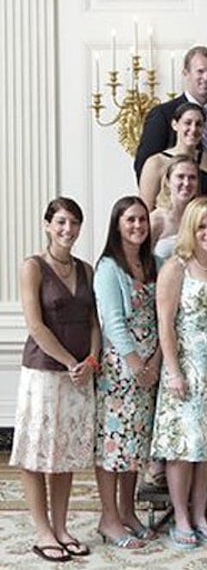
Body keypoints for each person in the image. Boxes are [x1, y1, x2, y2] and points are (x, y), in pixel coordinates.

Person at [11, 197, 99, 562]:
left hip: (79, 375)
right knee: (36, 454)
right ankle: (43, 530)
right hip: (44, 373)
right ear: (47, 225)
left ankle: (61, 528)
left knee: (64, 454)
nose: (68, 230)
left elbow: (95, 321)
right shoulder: (33, 266)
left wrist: (90, 361)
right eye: (61, 222)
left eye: (74, 223)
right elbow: (35, 325)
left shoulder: (87, 269)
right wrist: (69, 362)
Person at [150, 197, 207, 550]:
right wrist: (173, 371)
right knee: (185, 447)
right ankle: (181, 517)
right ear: (190, 229)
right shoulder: (176, 267)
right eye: (201, 226)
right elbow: (165, 324)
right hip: (187, 366)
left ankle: (201, 513)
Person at [93, 196, 162, 549]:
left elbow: (167, 317)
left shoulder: (156, 263)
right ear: (117, 224)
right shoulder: (109, 267)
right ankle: (108, 518)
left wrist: (156, 361)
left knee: (135, 445)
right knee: (113, 445)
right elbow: (114, 323)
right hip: (121, 370)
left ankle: (127, 510)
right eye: (130, 220)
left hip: (151, 366)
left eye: (142, 220)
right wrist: (137, 365)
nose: (137, 226)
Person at [134, 46, 207, 180]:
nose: (206, 78)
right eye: (200, 71)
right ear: (185, 73)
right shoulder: (162, 114)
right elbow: (143, 166)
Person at [138, 103, 207, 209]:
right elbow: (146, 208)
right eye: (187, 123)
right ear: (175, 125)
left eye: (198, 124)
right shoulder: (155, 163)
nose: (193, 129)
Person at [150, 155, 200, 261]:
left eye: (192, 177)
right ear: (168, 181)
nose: (186, 183)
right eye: (180, 177)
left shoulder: (200, 218)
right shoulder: (156, 220)